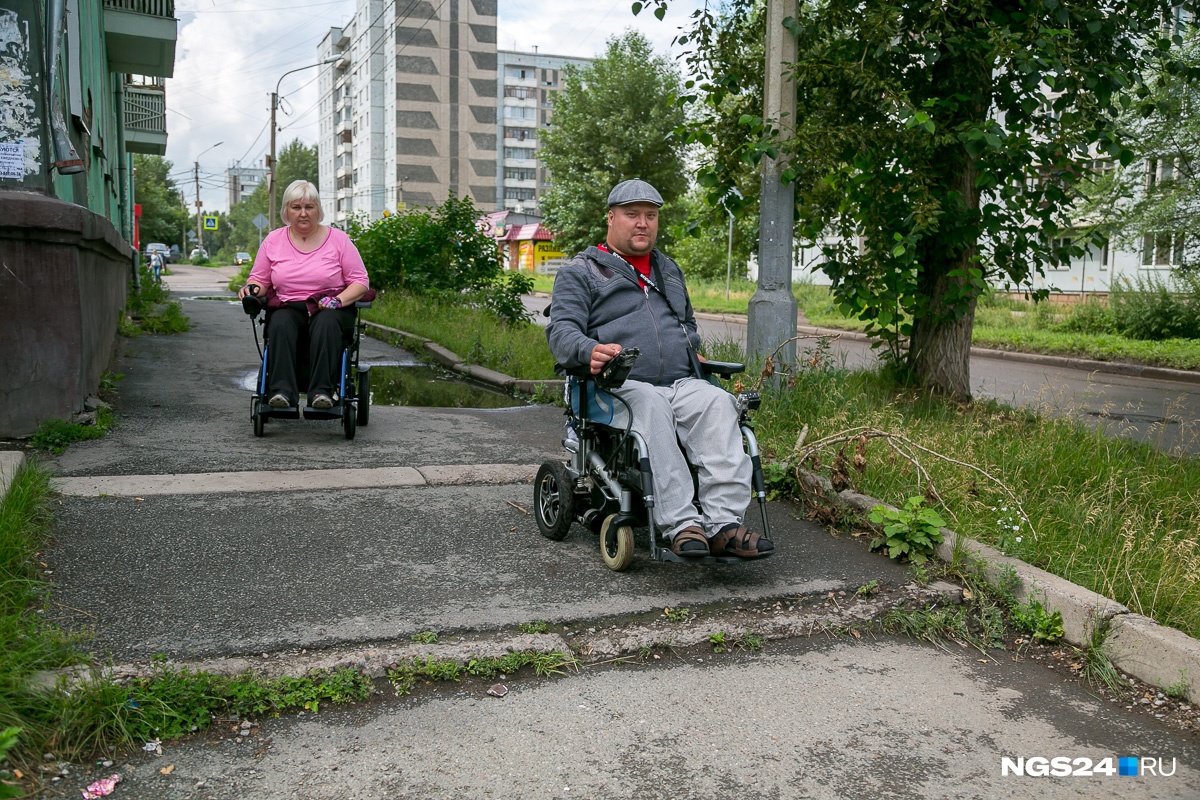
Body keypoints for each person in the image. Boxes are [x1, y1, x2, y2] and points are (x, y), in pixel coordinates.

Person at [546, 179, 774, 560]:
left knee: (719, 403)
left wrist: (691, 350)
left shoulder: (667, 268)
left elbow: (686, 324)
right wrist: (589, 350)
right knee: (650, 404)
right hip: (613, 385)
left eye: (650, 216)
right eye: (632, 215)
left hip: (680, 382)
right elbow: (562, 331)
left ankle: (723, 525)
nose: (642, 223)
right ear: (611, 218)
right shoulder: (580, 271)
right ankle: (682, 524)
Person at [237, 180, 370, 409]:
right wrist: (252, 289)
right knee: (279, 323)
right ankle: (281, 393)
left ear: (318, 210)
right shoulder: (273, 240)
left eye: (309, 207)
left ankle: (322, 393)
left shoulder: (339, 240)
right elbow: (260, 280)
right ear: (286, 211)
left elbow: (360, 281)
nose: (303, 213)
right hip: (290, 306)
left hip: (330, 307)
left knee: (326, 323)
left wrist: (338, 300)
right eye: (296, 207)